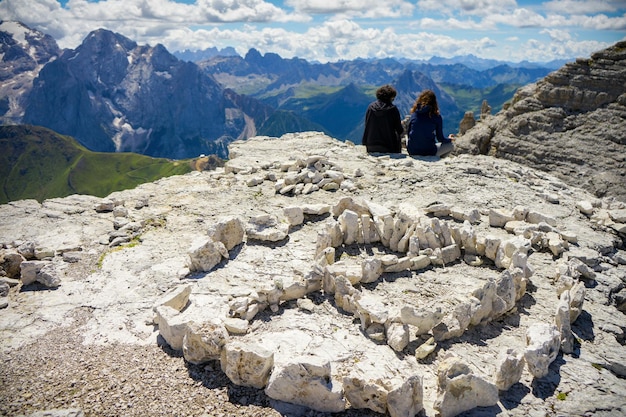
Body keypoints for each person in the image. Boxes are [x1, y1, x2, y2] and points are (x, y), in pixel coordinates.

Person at [406, 89, 455, 157]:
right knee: (451, 146)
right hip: (429, 151)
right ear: (434, 103)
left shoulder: (414, 114)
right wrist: (449, 139)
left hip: (412, 151)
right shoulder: (436, 117)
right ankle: (438, 159)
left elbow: (409, 133)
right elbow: (440, 139)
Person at [362, 84, 403, 154]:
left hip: (370, 146)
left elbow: (367, 124)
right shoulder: (392, 109)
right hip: (388, 147)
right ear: (391, 97)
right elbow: (399, 130)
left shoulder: (371, 107)